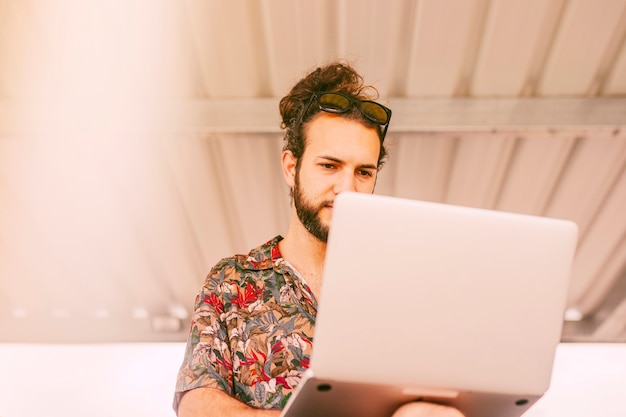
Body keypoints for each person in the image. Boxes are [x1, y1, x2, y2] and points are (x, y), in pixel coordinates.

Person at [173, 61, 464, 417]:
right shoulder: (231, 281)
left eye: (363, 172)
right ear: (291, 167)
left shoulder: (400, 284)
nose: (346, 188)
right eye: (329, 165)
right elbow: (197, 404)